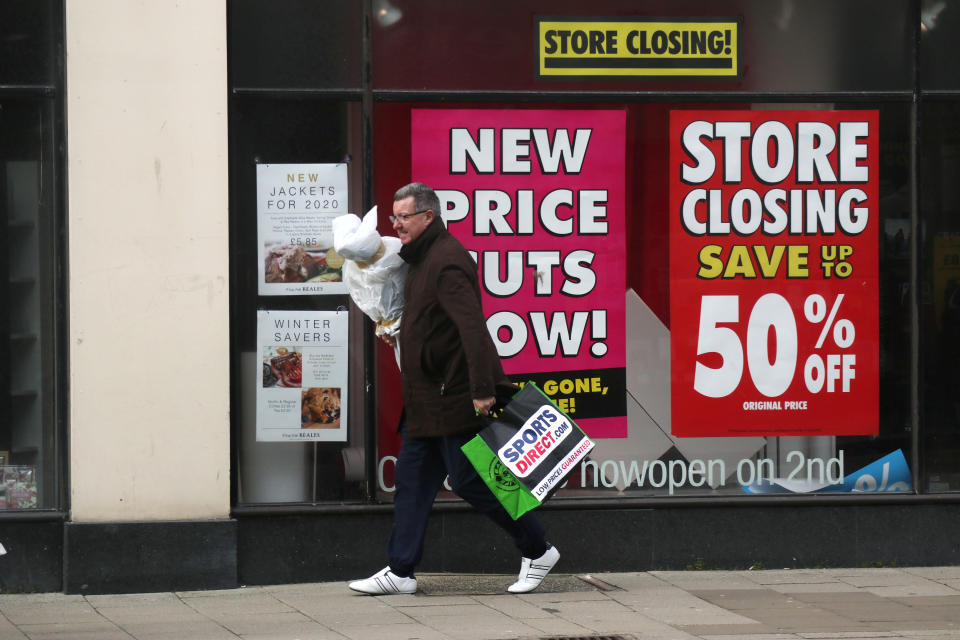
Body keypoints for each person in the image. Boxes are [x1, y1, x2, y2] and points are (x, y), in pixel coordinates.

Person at [349, 182, 559, 596]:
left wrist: (482, 388)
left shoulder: (447, 260)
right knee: (411, 482)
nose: (396, 225)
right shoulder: (421, 259)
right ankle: (400, 570)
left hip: (453, 395)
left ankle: (538, 549)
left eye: (403, 217)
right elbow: (431, 322)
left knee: (468, 481)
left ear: (428, 216)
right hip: (426, 398)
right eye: (394, 217)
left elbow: (472, 328)